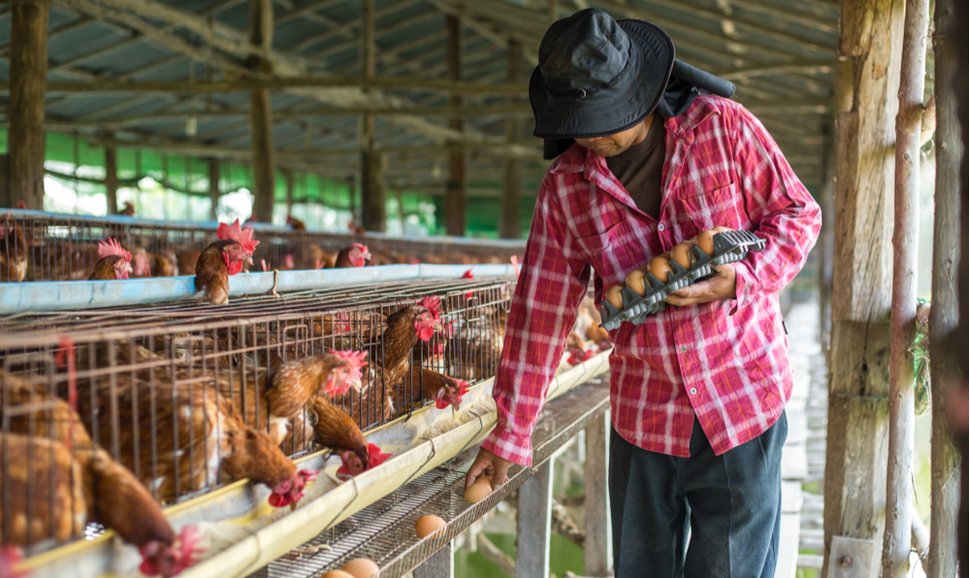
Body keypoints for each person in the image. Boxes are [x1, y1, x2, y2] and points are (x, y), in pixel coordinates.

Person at [464, 8, 821, 578]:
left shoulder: (722, 128)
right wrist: (510, 433)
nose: (591, 135)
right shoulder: (566, 190)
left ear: (641, 93)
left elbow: (799, 216)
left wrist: (743, 277)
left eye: (604, 118)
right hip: (644, 414)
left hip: (742, 398)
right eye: (579, 121)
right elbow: (541, 313)